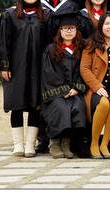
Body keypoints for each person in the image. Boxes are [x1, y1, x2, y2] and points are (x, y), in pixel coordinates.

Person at [0, 0, 50, 157]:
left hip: (38, 68)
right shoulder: (10, 15)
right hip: (16, 68)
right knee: (16, 105)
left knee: (34, 105)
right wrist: (4, 66)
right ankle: (18, 145)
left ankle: (30, 144)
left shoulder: (46, 16)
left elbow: (50, 44)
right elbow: (3, 43)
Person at [80, 12, 110, 159]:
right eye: (107, 23)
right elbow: (84, 68)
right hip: (96, 88)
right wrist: (97, 87)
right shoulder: (91, 45)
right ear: (101, 26)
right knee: (103, 104)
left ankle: (105, 144)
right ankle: (94, 144)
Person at [40, 12, 87, 159]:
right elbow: (49, 73)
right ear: (59, 31)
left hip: (75, 91)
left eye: (72, 28)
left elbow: (85, 71)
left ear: (77, 31)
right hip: (56, 92)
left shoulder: (82, 49)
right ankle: (54, 143)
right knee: (61, 107)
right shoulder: (50, 50)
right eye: (65, 28)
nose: (68, 31)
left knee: (78, 106)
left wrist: (77, 88)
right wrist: (64, 90)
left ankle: (66, 143)